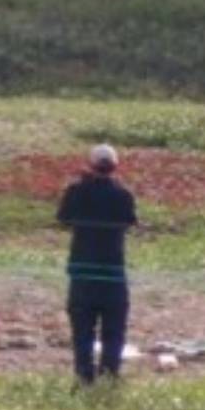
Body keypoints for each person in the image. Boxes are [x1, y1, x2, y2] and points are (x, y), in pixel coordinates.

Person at [55, 144, 138, 386]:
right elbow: (130, 220)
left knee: (82, 330)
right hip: (113, 274)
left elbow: (63, 217)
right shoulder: (123, 194)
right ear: (115, 166)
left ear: (90, 164)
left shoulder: (76, 191)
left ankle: (84, 375)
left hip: (82, 273)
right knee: (113, 330)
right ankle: (110, 375)